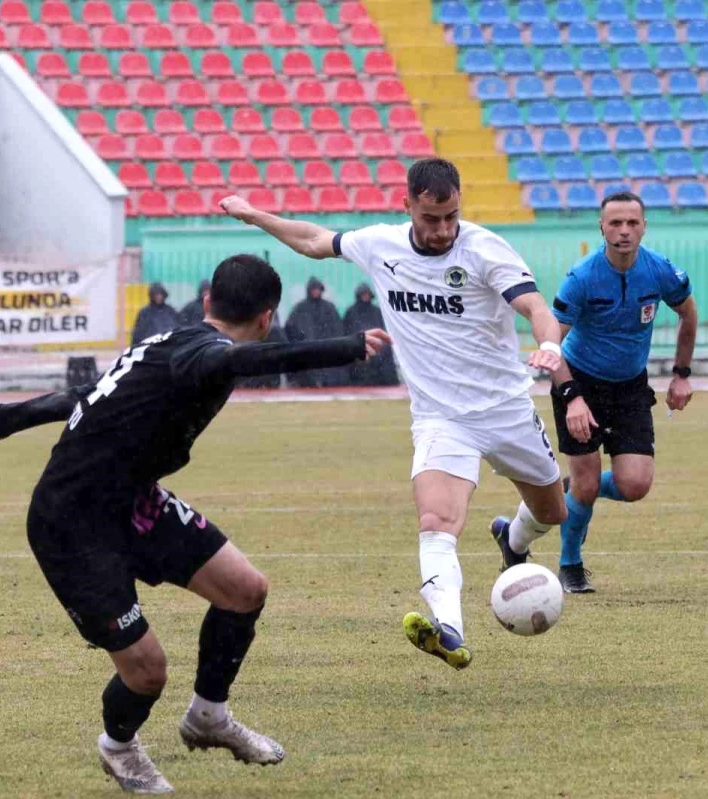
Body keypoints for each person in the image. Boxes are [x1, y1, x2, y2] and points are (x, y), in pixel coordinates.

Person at [0, 254, 390, 794]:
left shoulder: (169, 344)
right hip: (72, 521)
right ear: (267, 318)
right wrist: (347, 347)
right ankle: (118, 747)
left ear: (207, 302)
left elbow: (85, 396)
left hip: (133, 502)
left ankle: (208, 716)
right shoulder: (206, 355)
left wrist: (5, 416)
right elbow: (241, 363)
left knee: (244, 590)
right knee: (146, 671)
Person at [220, 157, 567, 671]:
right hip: (440, 418)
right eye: (431, 219)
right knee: (436, 521)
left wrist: (549, 345)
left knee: (551, 512)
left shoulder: (484, 249)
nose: (442, 229)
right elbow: (316, 241)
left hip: (505, 409)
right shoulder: (380, 244)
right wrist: (255, 216)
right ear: (407, 206)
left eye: (451, 216)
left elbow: (537, 306)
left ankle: (511, 539)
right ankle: (449, 629)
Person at [547, 192, 697, 593]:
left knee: (635, 485)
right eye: (615, 223)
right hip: (579, 382)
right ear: (601, 227)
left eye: (632, 222)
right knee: (588, 484)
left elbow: (688, 312)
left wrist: (681, 374)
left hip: (630, 385)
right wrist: (571, 397)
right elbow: (550, 342)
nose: (624, 230)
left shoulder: (659, 270)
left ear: (644, 226)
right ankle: (570, 564)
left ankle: (577, 489)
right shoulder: (582, 277)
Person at [284, 277, 348, 388]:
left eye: (318, 289)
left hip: (327, 353)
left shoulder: (329, 308)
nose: (316, 291)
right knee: (310, 385)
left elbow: (338, 329)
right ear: (309, 290)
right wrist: (301, 344)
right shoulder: (299, 308)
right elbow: (290, 329)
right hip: (308, 354)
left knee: (329, 384)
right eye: (314, 289)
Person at [343, 283, 398, 386]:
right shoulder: (351, 312)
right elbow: (347, 331)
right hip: (358, 350)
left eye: (367, 294)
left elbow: (382, 330)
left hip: (378, 349)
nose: (366, 296)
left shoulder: (377, 311)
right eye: (363, 294)